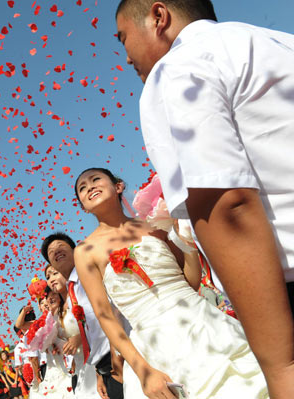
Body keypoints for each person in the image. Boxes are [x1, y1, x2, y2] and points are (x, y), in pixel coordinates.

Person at [114, 0, 294, 396]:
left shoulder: (178, 69)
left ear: (158, 18)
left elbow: (226, 205)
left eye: (124, 37)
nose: (125, 55)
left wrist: (282, 369)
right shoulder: (279, 41)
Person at [73, 167, 268, 398]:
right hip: (155, 346)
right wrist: (143, 371)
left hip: (204, 324)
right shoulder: (85, 251)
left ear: (118, 186)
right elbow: (105, 316)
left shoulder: (155, 224)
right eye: (82, 189)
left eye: (96, 180)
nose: (90, 187)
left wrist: (185, 239)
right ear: (84, 206)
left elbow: (190, 282)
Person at [42, 233, 122, 399]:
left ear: (75, 250)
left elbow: (112, 311)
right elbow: (91, 332)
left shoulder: (91, 272)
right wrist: (99, 371)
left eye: (60, 246)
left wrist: (117, 353)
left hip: (118, 357)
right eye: (50, 251)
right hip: (100, 366)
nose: (56, 250)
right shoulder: (72, 295)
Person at [27, 288, 74, 399]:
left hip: (69, 358)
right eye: (43, 302)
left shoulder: (63, 314)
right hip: (52, 363)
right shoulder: (40, 323)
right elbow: (20, 325)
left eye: (47, 300)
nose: (46, 304)